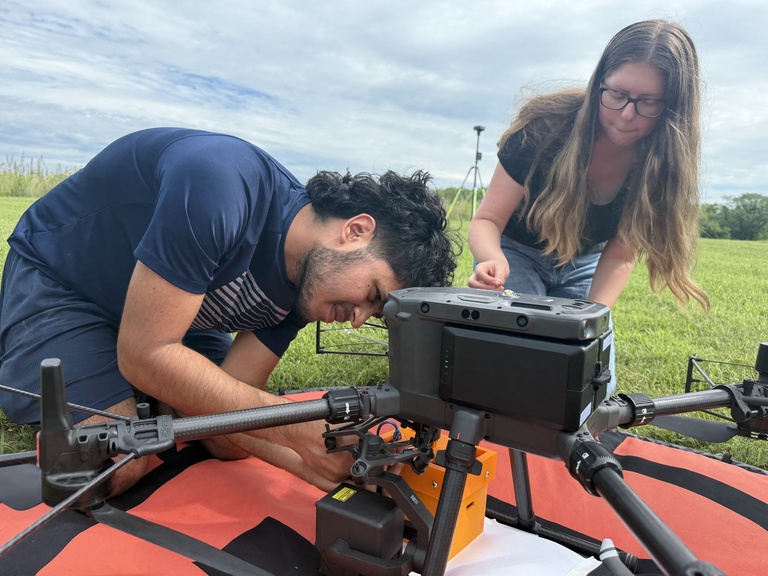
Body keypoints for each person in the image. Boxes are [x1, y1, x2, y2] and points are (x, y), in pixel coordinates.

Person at [0, 127, 459, 494]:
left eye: (373, 314)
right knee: (110, 465)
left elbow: (224, 436)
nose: (358, 317)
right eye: (373, 293)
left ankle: (153, 397)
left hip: (170, 320)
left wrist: (311, 461)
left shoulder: (306, 291)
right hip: (62, 284)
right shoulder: (220, 183)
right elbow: (145, 353)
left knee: (206, 411)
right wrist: (290, 427)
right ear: (356, 231)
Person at [468, 20, 710, 394]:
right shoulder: (543, 128)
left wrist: (591, 319)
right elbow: (487, 219)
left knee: (593, 382)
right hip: (515, 253)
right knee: (518, 360)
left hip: (585, 263)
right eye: (617, 94)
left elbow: (620, 256)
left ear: (672, 108)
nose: (627, 114)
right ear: (600, 81)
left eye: (647, 103)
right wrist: (490, 259)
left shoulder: (661, 163)